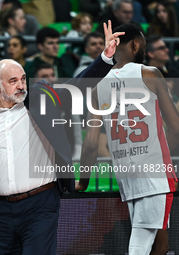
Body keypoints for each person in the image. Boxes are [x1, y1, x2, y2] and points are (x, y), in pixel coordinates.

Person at [0, 21, 124, 254]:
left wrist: (105, 58)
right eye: (13, 81)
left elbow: (77, 85)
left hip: (40, 205)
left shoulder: (40, 99)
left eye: (23, 78)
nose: (21, 86)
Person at [76, 23, 179, 255]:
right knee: (141, 244)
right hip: (154, 173)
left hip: (125, 172)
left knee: (160, 241)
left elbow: (91, 143)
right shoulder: (150, 74)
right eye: (142, 44)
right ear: (135, 44)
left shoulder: (97, 85)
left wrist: (83, 181)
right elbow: (176, 127)